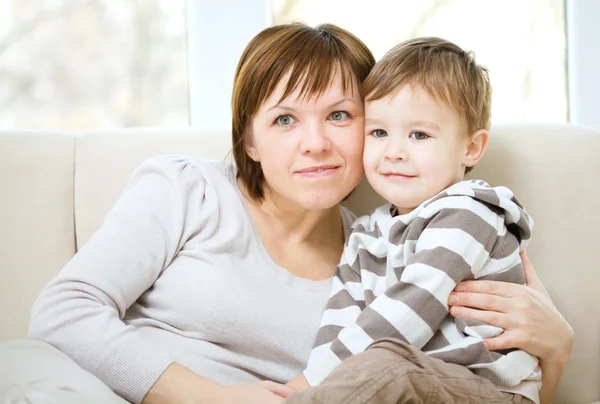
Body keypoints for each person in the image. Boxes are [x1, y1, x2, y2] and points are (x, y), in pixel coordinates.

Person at [19, 23, 572, 404]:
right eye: (284, 120)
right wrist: (211, 397)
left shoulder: (387, 250)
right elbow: (63, 311)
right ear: (249, 141)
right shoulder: (188, 189)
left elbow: (443, 386)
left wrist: (557, 348)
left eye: (339, 115)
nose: (315, 143)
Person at [286, 37, 540, 404]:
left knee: (388, 366)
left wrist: (309, 383)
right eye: (378, 133)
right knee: (374, 372)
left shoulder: (468, 215)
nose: (394, 152)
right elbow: (341, 318)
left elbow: (413, 308)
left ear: (470, 148)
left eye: (419, 135)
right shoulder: (365, 233)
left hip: (485, 387)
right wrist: (315, 381)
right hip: (401, 381)